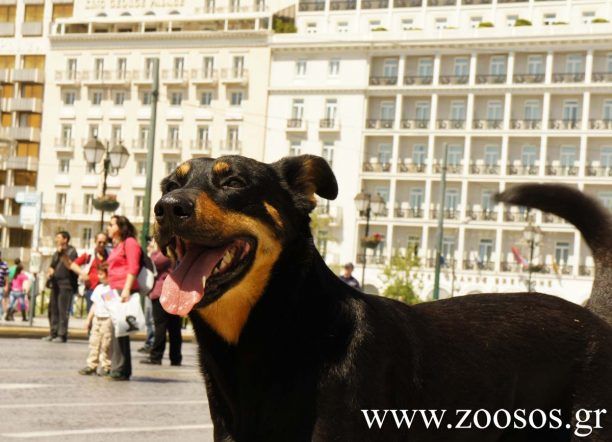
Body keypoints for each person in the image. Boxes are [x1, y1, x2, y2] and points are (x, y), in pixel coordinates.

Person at [106, 215, 141, 381]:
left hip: (123, 289)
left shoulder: (130, 243)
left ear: (121, 227)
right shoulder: (117, 245)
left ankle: (120, 368)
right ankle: (120, 367)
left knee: (119, 330)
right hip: (114, 290)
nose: (109, 227)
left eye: (111, 224)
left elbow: (133, 266)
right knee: (118, 329)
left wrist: (126, 289)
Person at [141, 239, 182, 366]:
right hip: (173, 292)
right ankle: (175, 357)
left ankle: (156, 356)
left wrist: (153, 251)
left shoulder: (166, 252)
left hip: (162, 292)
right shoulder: (176, 251)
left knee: (161, 326)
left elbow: (154, 263)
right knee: (174, 327)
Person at [79, 263, 116, 376]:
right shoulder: (98, 288)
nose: (99, 276)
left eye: (101, 274)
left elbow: (109, 303)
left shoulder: (112, 289)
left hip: (107, 318)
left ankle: (106, 365)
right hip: (97, 318)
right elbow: (94, 305)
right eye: (98, 274)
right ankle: (92, 365)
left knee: (106, 343)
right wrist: (88, 320)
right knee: (94, 342)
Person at [61, 232, 109, 314]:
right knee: (91, 313)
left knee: (107, 312)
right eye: (99, 242)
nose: (102, 244)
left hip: (107, 290)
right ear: (95, 241)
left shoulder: (110, 255)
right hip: (91, 290)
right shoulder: (89, 255)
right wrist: (82, 273)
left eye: (104, 242)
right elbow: (73, 265)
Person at [43, 232, 78, 343]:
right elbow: (52, 266)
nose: (56, 239)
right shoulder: (56, 253)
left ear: (65, 239)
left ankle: (62, 334)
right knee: (53, 309)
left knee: (63, 310)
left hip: (66, 284)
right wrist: (49, 273)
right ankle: (53, 332)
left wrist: (62, 253)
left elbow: (70, 264)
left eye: (58, 237)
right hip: (56, 284)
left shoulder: (71, 251)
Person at [0, 252, 8, 319]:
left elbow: (6, 276)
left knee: (0, 299)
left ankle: (1, 313)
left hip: (1, 285)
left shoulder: (4, 264)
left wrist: (6, 285)